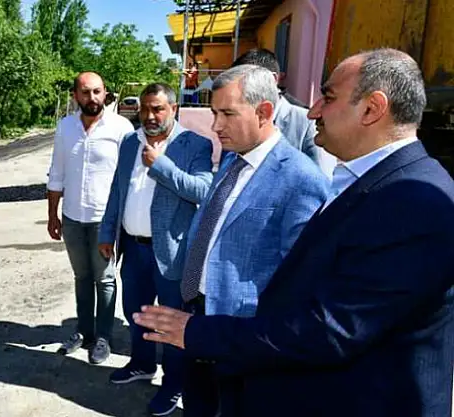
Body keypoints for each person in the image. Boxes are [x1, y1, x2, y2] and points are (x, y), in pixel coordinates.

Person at [133, 48, 454, 417]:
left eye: (328, 97)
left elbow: (329, 328)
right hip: (225, 337)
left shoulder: (413, 200)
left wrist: (198, 332)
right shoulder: (365, 181)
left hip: (295, 368)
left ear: (372, 109)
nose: (313, 111)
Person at [177, 65, 329, 416]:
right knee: (197, 405)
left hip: (245, 334)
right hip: (197, 314)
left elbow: (301, 283)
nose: (216, 126)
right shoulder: (232, 159)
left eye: (228, 114)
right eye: (214, 113)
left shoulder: (301, 179)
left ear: (264, 112)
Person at [98, 83, 214, 417]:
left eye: (158, 109)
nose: (150, 116)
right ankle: (142, 364)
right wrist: (107, 232)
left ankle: (174, 383)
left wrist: (160, 165)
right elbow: (117, 191)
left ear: (174, 109)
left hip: (172, 253)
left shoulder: (195, 144)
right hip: (133, 249)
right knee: (136, 313)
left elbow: (203, 190)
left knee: (171, 323)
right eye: (145, 109)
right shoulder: (129, 142)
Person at [46, 72, 134, 365]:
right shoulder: (65, 127)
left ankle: (104, 337)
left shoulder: (121, 128)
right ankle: (84, 332)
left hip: (104, 220)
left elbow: (127, 178)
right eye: (85, 92)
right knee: (82, 277)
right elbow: (56, 173)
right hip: (72, 217)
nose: (92, 97)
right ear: (75, 95)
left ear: (105, 93)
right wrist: (52, 215)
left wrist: (121, 220)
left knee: (105, 279)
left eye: (97, 91)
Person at [232, 48, 335, 176]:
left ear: (272, 79)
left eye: (246, 83)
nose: (240, 91)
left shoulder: (307, 124)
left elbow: (323, 180)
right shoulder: (237, 120)